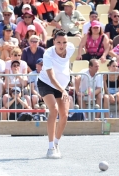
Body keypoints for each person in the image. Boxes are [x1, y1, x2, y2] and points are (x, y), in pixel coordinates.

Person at [37, 30, 75, 159]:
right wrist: (63, 90)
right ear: (54, 42)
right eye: (58, 42)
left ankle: (57, 143)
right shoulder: (48, 53)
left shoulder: (70, 49)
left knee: (64, 115)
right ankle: (50, 147)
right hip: (46, 83)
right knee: (54, 110)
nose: (62, 45)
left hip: (62, 85)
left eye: (64, 42)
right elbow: (51, 77)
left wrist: (63, 88)